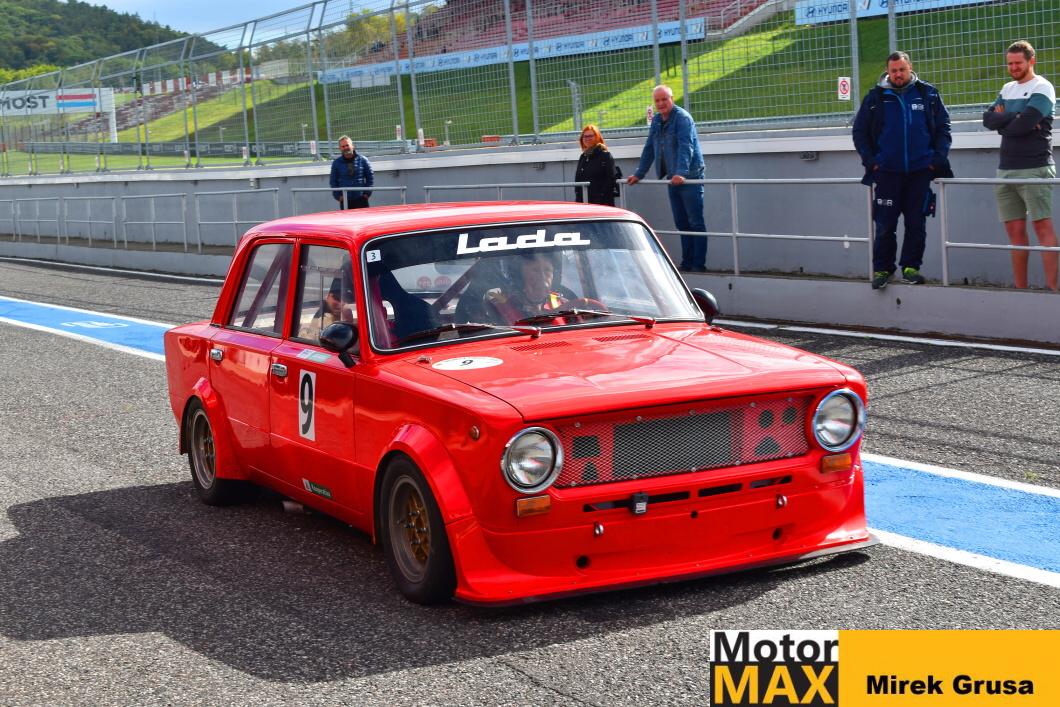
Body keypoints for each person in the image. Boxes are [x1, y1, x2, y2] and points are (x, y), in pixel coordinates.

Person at [853, 51, 953, 290]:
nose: (898, 74)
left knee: (916, 223)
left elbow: (943, 127)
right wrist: (872, 161)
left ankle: (911, 268)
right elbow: (859, 132)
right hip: (887, 173)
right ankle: (883, 270)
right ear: (888, 71)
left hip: (920, 172)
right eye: (894, 70)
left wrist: (936, 159)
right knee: (885, 225)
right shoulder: (876, 98)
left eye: (902, 70)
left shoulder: (927, 94)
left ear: (910, 68)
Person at [982, 40, 1057, 291]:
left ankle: (1053, 290)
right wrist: (1014, 117)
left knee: (1042, 228)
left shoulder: (1043, 87)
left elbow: (1024, 124)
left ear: (1031, 61)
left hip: (1035, 168)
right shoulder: (1007, 88)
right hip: (1005, 170)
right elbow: (987, 119)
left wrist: (1005, 120)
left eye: (1018, 63)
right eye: (1010, 63)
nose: (1014, 68)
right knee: (1015, 234)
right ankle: (1020, 290)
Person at [627, 85, 707, 272]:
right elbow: (650, 148)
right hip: (673, 178)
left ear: (672, 99)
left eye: (664, 99)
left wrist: (681, 172)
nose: (661, 103)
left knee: (695, 222)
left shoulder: (683, 118)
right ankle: (686, 263)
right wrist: (639, 174)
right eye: (657, 100)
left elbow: (686, 146)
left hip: (690, 176)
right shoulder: (656, 120)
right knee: (681, 222)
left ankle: (698, 265)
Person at [484, 253, 569, 323]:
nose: (542, 277)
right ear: (519, 277)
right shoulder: (502, 306)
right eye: (535, 270)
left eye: (547, 270)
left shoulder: (562, 304)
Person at [574, 124, 619, 206]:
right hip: (584, 203)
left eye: (590, 136)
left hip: (602, 203)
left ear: (597, 137)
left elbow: (610, 179)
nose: (587, 139)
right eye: (585, 136)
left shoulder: (605, 155)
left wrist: (600, 198)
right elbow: (578, 181)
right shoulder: (583, 156)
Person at [330, 136, 374, 209]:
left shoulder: (363, 160)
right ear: (340, 148)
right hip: (345, 201)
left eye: (347, 145)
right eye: (343, 146)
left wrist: (367, 194)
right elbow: (333, 181)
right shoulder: (336, 163)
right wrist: (339, 197)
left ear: (352, 146)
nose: (345, 148)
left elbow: (370, 177)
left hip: (361, 199)